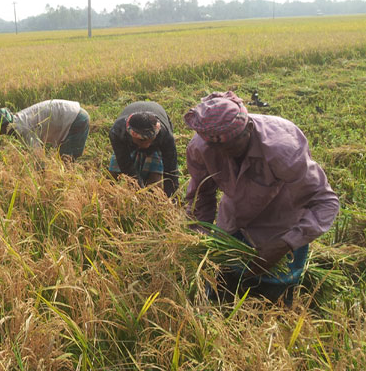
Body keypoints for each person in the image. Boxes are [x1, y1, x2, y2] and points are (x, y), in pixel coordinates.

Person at [183, 91, 339, 305]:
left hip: (280, 226)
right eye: (216, 148)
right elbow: (202, 195)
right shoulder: (203, 146)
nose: (223, 154)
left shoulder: (282, 149)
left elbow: (325, 202)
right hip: (234, 222)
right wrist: (199, 237)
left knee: (275, 292)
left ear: (248, 129)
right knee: (227, 284)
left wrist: (284, 244)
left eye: (230, 148)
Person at [108, 101, 179, 197]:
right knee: (113, 174)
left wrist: (171, 198)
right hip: (128, 144)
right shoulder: (117, 132)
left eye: (150, 140)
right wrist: (139, 188)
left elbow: (171, 170)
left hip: (156, 144)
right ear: (131, 134)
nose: (146, 145)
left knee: (155, 183)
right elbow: (125, 163)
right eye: (142, 140)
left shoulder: (165, 135)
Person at [0, 99, 90, 160]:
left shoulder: (23, 129)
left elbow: (38, 157)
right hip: (74, 113)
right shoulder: (20, 118)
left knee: (67, 160)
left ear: (3, 128)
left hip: (76, 119)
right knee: (64, 157)